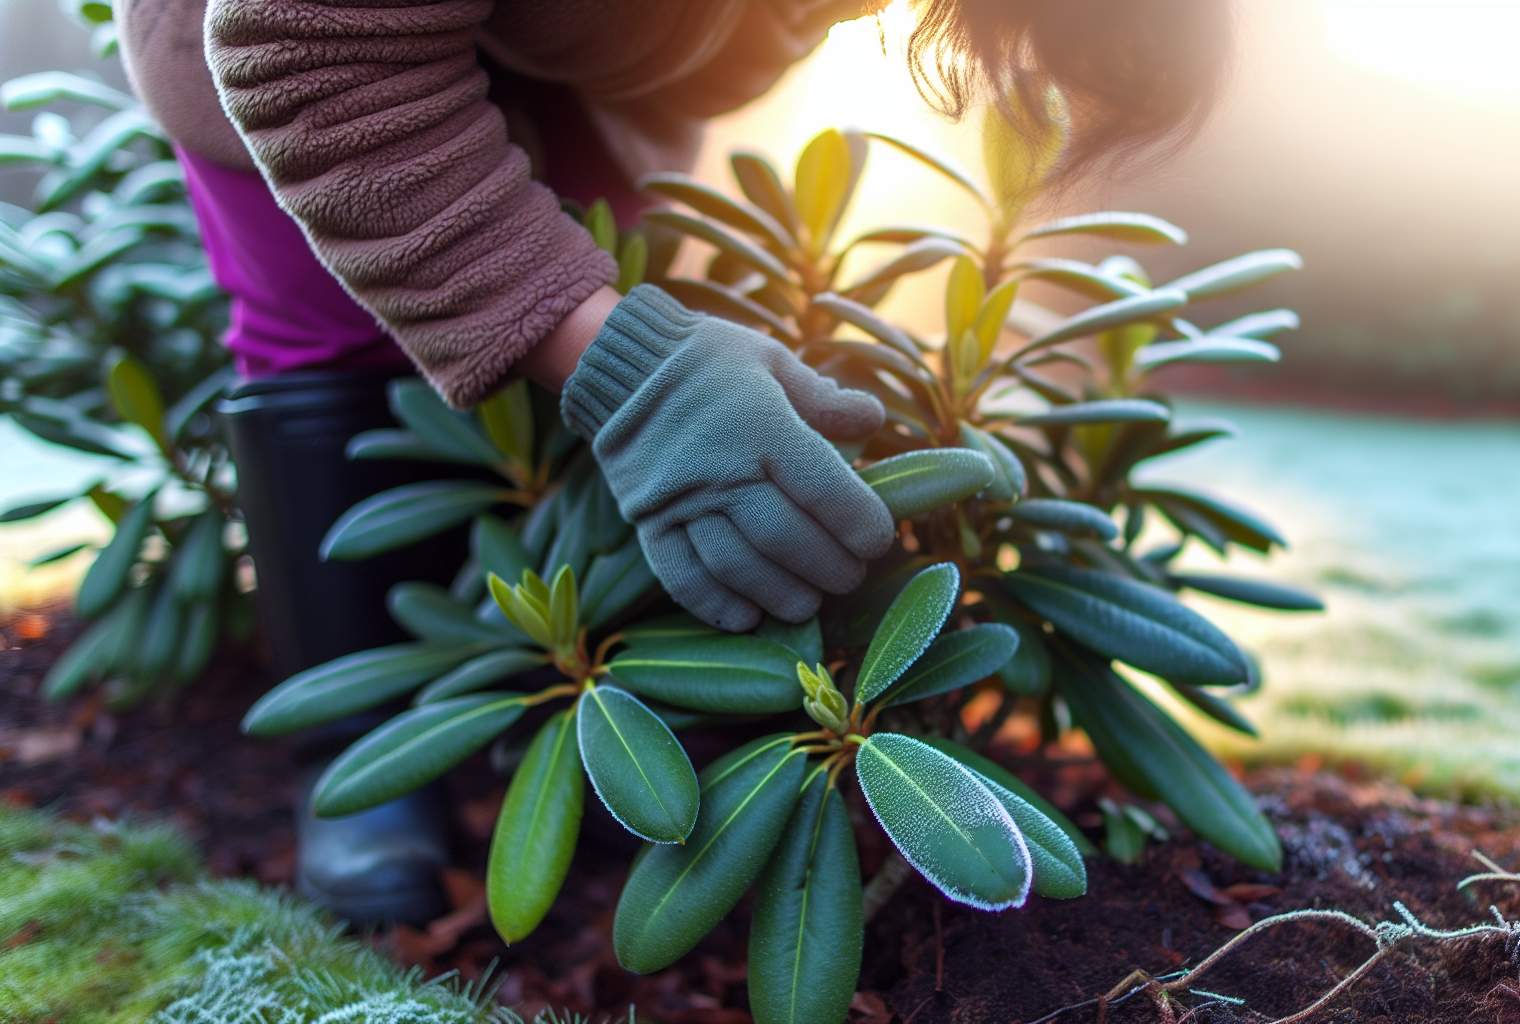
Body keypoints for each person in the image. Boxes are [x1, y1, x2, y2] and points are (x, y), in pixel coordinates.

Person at [113, 0, 1231, 925]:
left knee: (593, 285)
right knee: (334, 320)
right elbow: (307, 47)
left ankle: (570, 734)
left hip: (582, 62)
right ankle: (357, 763)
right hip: (299, 49)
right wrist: (634, 375)